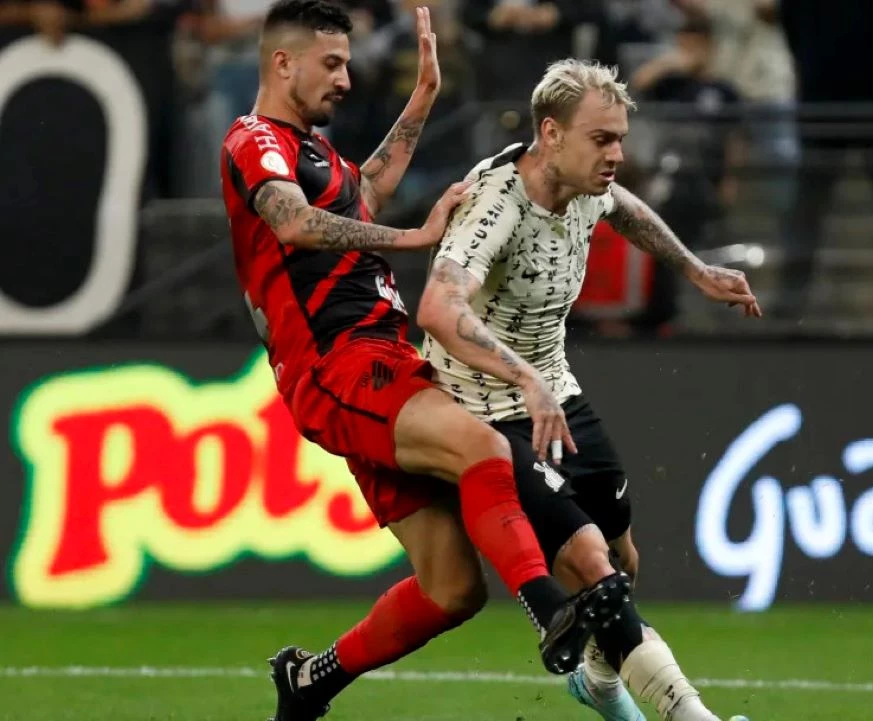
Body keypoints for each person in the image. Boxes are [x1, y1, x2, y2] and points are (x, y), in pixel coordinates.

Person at [218, 3, 631, 720]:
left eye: (346, 63)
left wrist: (422, 100)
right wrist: (413, 237)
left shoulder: (318, 154)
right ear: (282, 62)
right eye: (332, 63)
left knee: (452, 588)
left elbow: (364, 186)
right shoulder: (256, 140)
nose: (346, 78)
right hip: (337, 363)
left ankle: (310, 682)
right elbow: (290, 219)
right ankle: (547, 611)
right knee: (481, 445)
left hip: (377, 361)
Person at [418, 58, 762, 721]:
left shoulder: (585, 184)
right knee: (589, 560)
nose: (617, 154)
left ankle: (601, 677)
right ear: (550, 133)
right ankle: (691, 716)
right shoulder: (497, 203)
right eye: (602, 139)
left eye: (620, 138)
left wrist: (694, 270)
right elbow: (436, 308)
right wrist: (522, 378)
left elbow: (625, 208)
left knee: (623, 556)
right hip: (484, 413)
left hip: (555, 393)